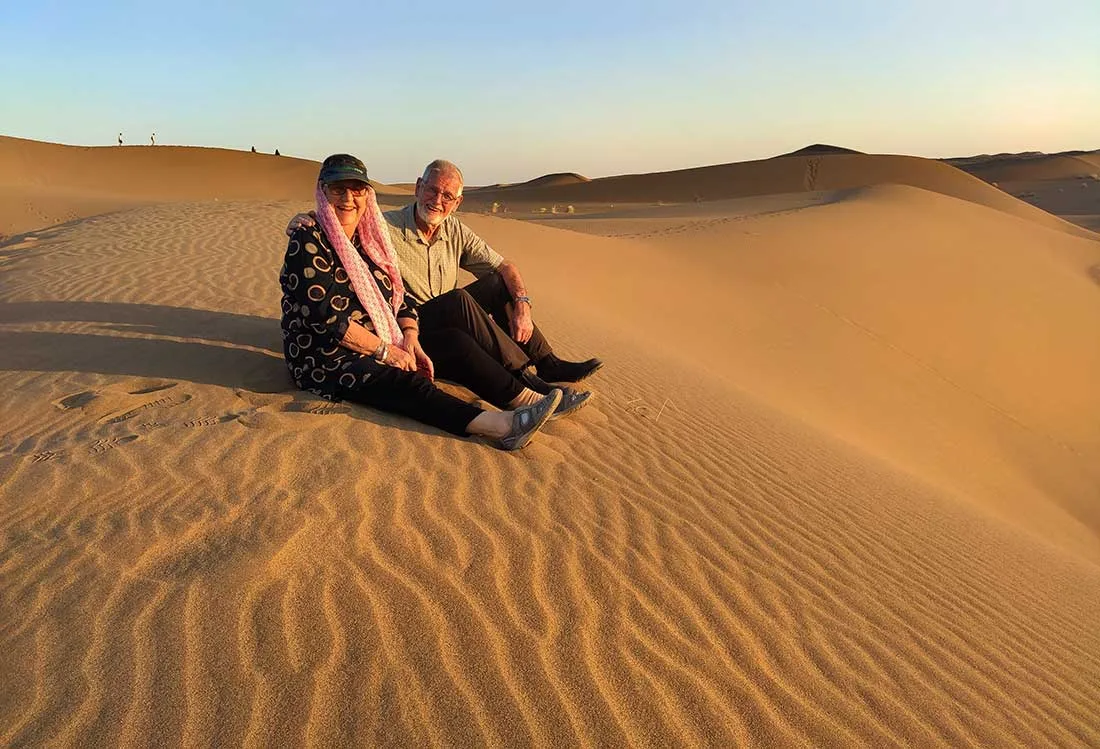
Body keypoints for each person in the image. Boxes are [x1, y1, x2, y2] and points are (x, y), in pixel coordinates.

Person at [280, 154, 562, 450]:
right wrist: (387, 352)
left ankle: (529, 399)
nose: (349, 198)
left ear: (368, 194)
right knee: (405, 384)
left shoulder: (368, 240)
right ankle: (502, 426)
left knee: (453, 342)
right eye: (339, 189)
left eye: (357, 189)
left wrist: (410, 339)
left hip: (380, 337)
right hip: (327, 358)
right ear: (322, 191)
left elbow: (399, 300)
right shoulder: (308, 239)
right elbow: (328, 321)